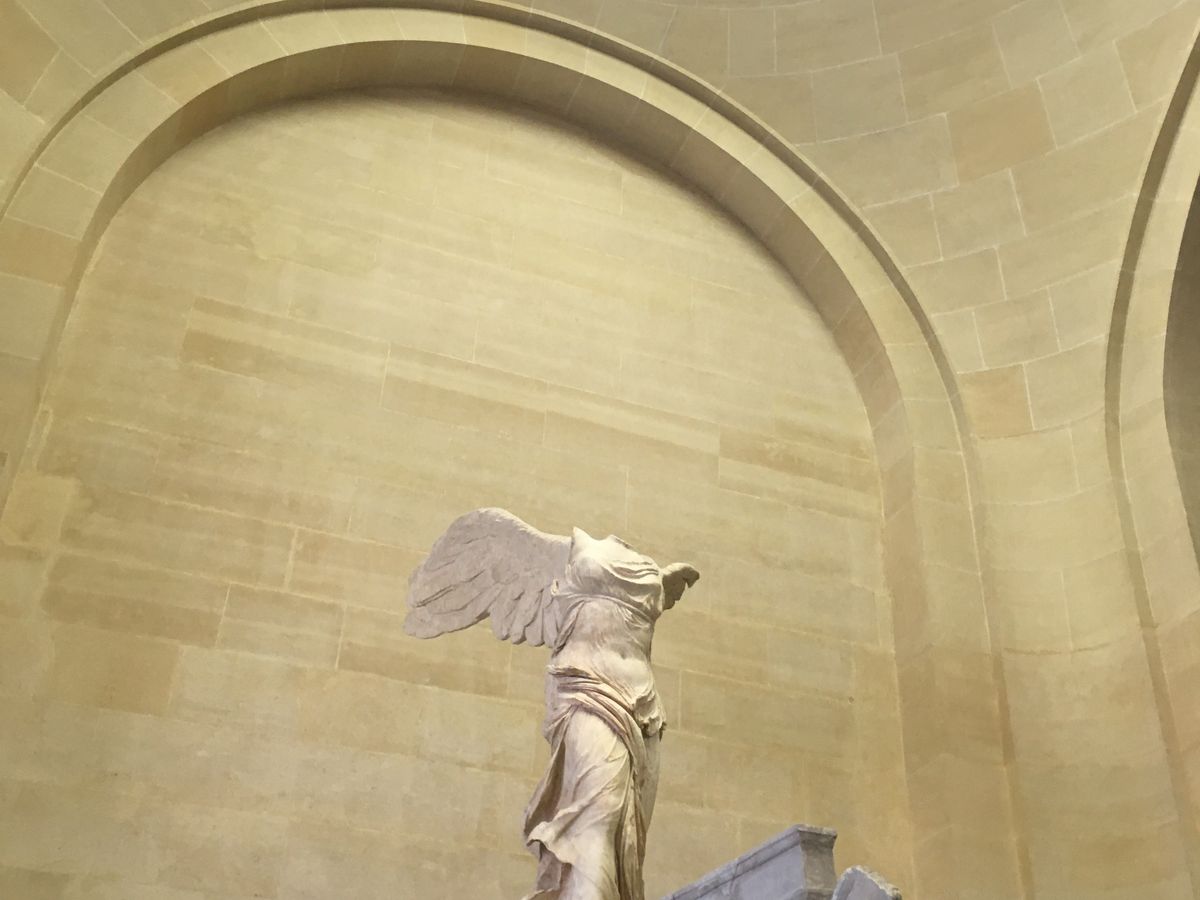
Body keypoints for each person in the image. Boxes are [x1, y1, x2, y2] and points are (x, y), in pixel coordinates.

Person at [405, 509, 699, 900]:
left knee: (627, 835)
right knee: (598, 811)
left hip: (644, 707)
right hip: (587, 689)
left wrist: (662, 582)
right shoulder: (566, 553)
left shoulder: (647, 571)